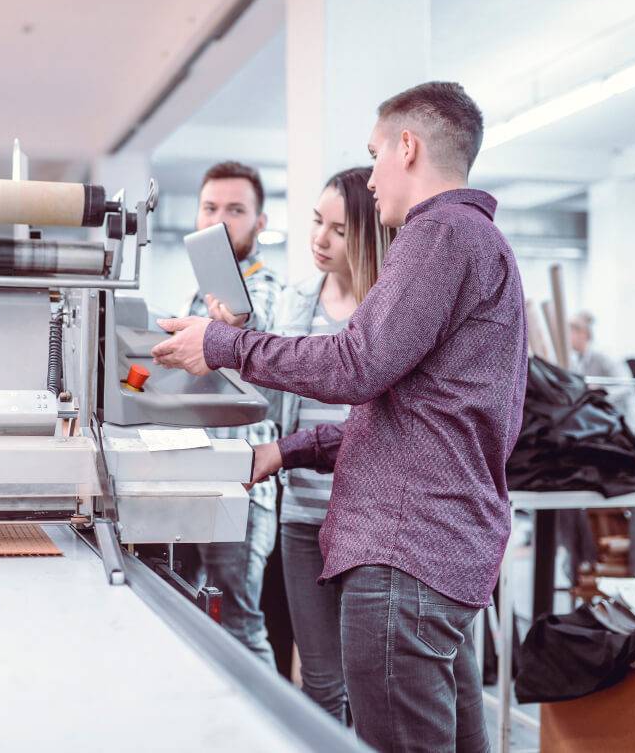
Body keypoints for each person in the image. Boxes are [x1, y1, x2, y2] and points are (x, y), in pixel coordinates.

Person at [152, 82, 526, 753]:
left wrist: (220, 343)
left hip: (404, 552)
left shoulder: (436, 233)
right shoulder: (479, 241)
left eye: (375, 154)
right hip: (442, 549)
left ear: (407, 147)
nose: (372, 177)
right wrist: (289, 451)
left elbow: (355, 366)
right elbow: (415, 417)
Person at [267, 166, 391, 722]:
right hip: (301, 516)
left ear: (368, 233)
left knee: (369, 689)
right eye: (317, 222)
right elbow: (272, 402)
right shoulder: (296, 301)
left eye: (338, 230)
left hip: (367, 525)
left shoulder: (386, 313)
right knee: (319, 683)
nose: (319, 238)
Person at [181, 160, 283, 665]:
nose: (220, 220)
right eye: (211, 208)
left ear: (260, 222)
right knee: (200, 614)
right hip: (199, 472)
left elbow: (255, 326)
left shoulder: (259, 287)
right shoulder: (202, 293)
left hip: (243, 480)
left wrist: (233, 325)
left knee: (240, 625)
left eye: (236, 210)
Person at [568, 311, 635, 429]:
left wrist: (600, 392)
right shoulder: (577, 360)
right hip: (608, 421)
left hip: (628, 422)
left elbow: (626, 386)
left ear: (583, 334)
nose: (566, 337)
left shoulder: (604, 356)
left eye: (570, 332)